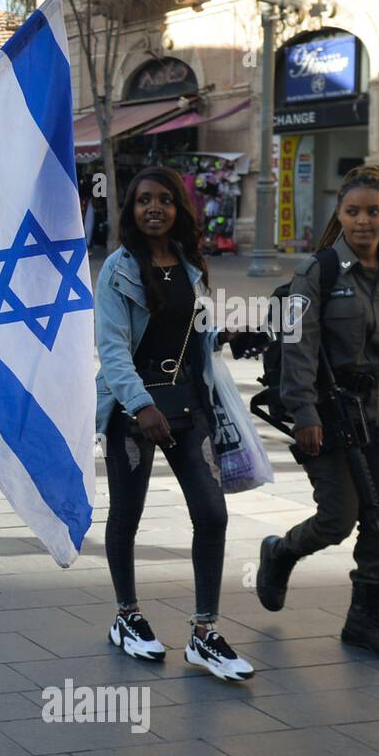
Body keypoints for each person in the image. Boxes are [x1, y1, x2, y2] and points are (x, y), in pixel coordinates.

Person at [257, 166, 379, 660]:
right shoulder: (316, 272)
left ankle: (365, 619)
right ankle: (282, 551)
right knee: (338, 518)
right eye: (353, 211)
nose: (363, 221)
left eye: (373, 212)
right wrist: (304, 413)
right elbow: (297, 343)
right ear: (339, 214)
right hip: (328, 415)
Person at [94, 166, 257, 682]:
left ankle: (204, 632)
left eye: (165, 199)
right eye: (144, 200)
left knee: (212, 515)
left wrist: (228, 333)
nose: (154, 208)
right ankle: (127, 616)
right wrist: (142, 406)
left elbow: (191, 337)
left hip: (189, 407)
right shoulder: (117, 270)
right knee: (128, 514)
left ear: (179, 208)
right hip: (132, 412)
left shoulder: (190, 266)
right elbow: (113, 349)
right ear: (131, 209)